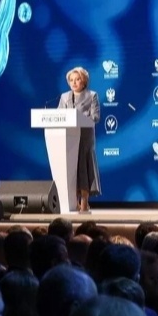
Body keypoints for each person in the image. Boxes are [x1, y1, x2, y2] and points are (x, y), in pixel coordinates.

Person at [56, 67, 101, 213]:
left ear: (84, 81)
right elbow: (58, 116)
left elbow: (95, 117)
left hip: (85, 139)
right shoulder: (64, 97)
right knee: (71, 170)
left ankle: (84, 203)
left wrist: (79, 117)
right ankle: (72, 202)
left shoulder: (92, 96)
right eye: (71, 80)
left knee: (83, 169)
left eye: (77, 79)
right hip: (68, 139)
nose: (74, 83)